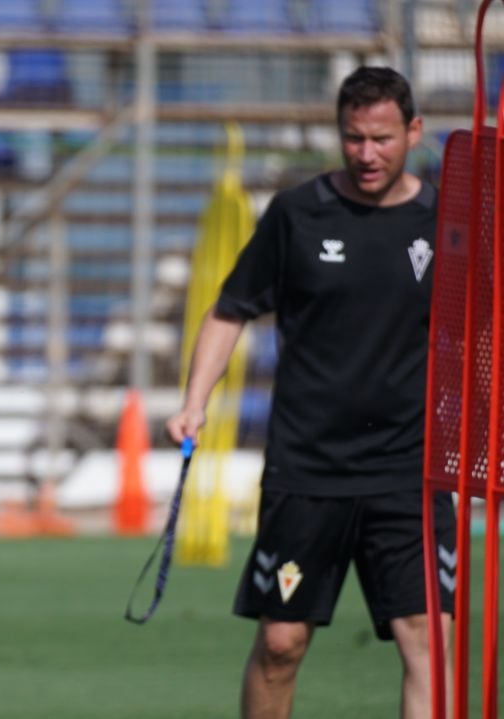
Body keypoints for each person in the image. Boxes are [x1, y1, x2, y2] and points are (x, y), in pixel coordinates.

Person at [165, 66, 454, 719]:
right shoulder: (297, 213)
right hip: (308, 468)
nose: (367, 153)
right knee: (281, 641)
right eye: (353, 138)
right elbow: (229, 309)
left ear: (414, 131)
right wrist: (194, 401)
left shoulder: (448, 220)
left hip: (408, 471)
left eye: (381, 137)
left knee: (426, 641)